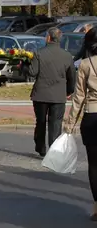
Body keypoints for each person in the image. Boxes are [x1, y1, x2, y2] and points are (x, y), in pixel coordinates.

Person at [26, 27, 77, 157]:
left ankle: (40, 147)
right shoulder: (67, 56)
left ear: (48, 37)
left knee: (41, 121)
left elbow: (33, 73)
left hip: (41, 93)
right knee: (56, 123)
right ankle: (54, 150)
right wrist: (69, 90)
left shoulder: (39, 53)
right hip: (59, 95)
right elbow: (72, 76)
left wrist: (25, 64)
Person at [64, 28, 97, 220]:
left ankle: (96, 206)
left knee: (94, 165)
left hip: (92, 117)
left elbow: (78, 98)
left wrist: (70, 124)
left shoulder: (85, 64)